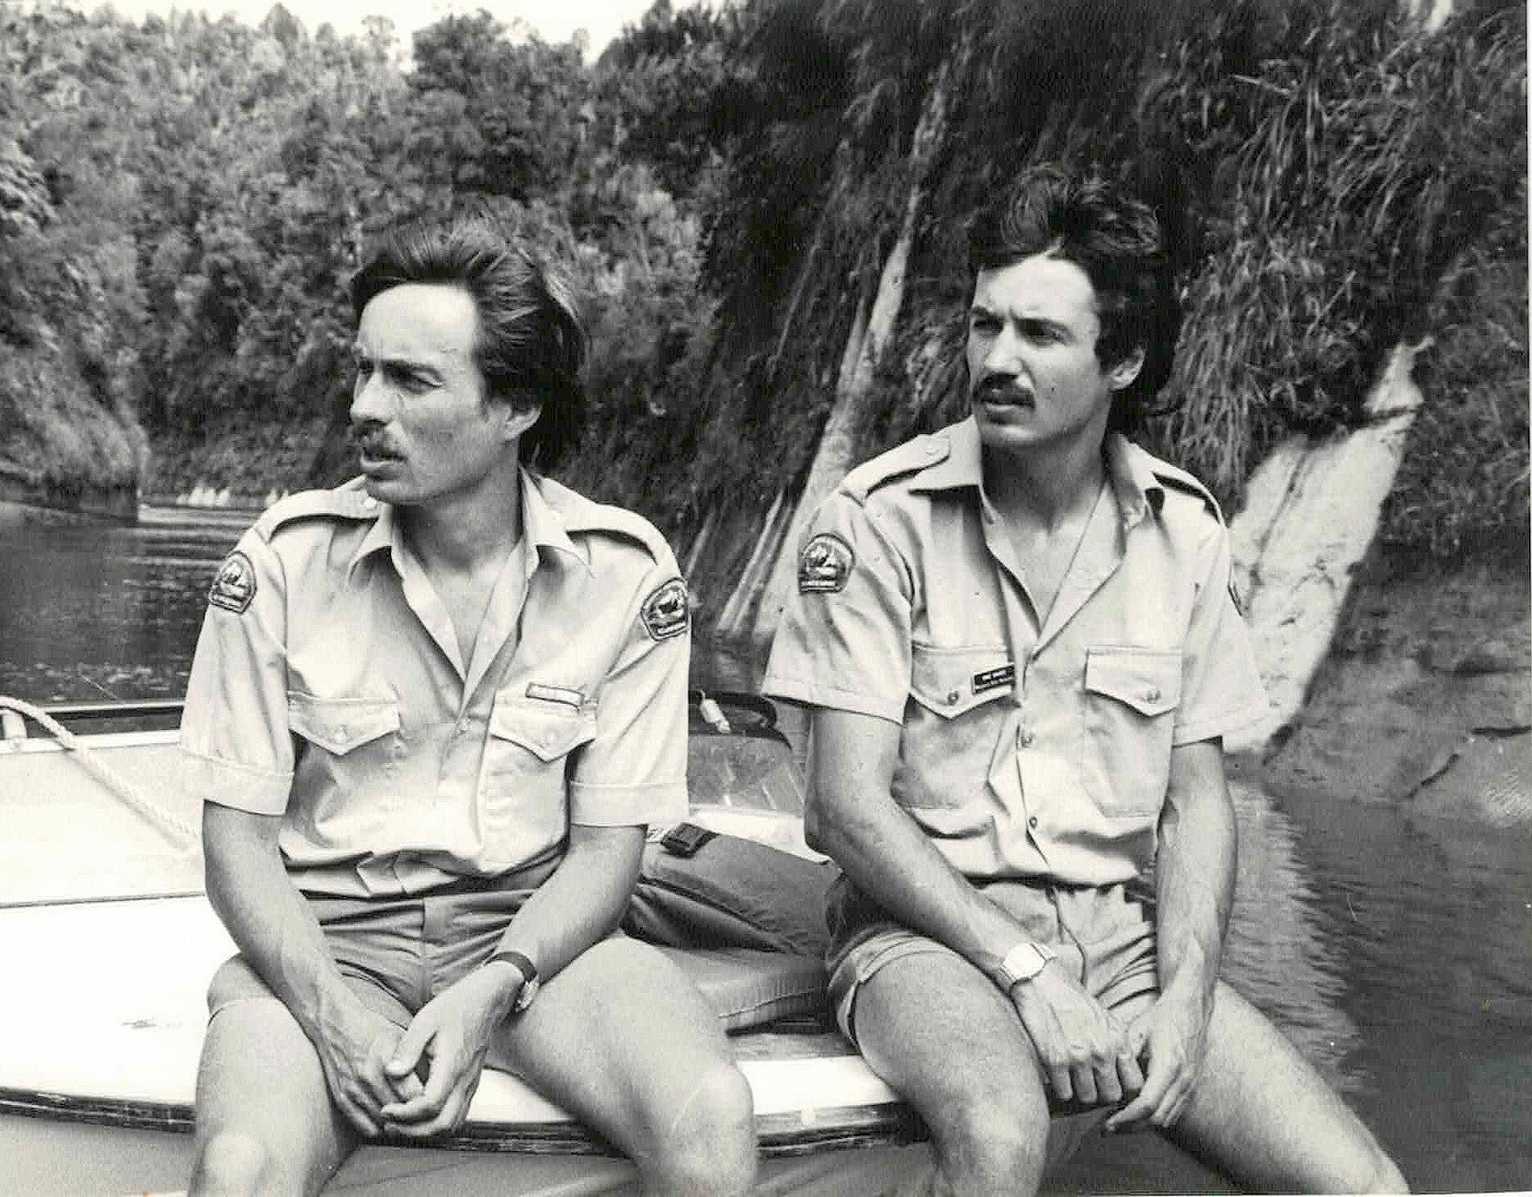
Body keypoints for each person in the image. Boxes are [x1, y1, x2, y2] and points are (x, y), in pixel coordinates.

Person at [762, 165, 1408, 1195]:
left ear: (1126, 362)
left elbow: (1197, 804)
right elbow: (842, 807)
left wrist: (1186, 1000)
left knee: (1361, 1186)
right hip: (928, 935)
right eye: (985, 326)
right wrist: (1023, 974)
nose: (996, 361)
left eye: (1040, 336)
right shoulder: (877, 517)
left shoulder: (1184, 532)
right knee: (998, 1136)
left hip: (1118, 938)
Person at [180, 220, 757, 1196]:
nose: (365, 407)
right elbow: (234, 844)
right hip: (328, 946)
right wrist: (334, 1017)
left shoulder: (624, 576)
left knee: (710, 1123)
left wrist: (496, 988)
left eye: (409, 381)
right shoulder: (282, 562)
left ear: (516, 405)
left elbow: (607, 851)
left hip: (538, 953)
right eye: (362, 372)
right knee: (240, 1171)